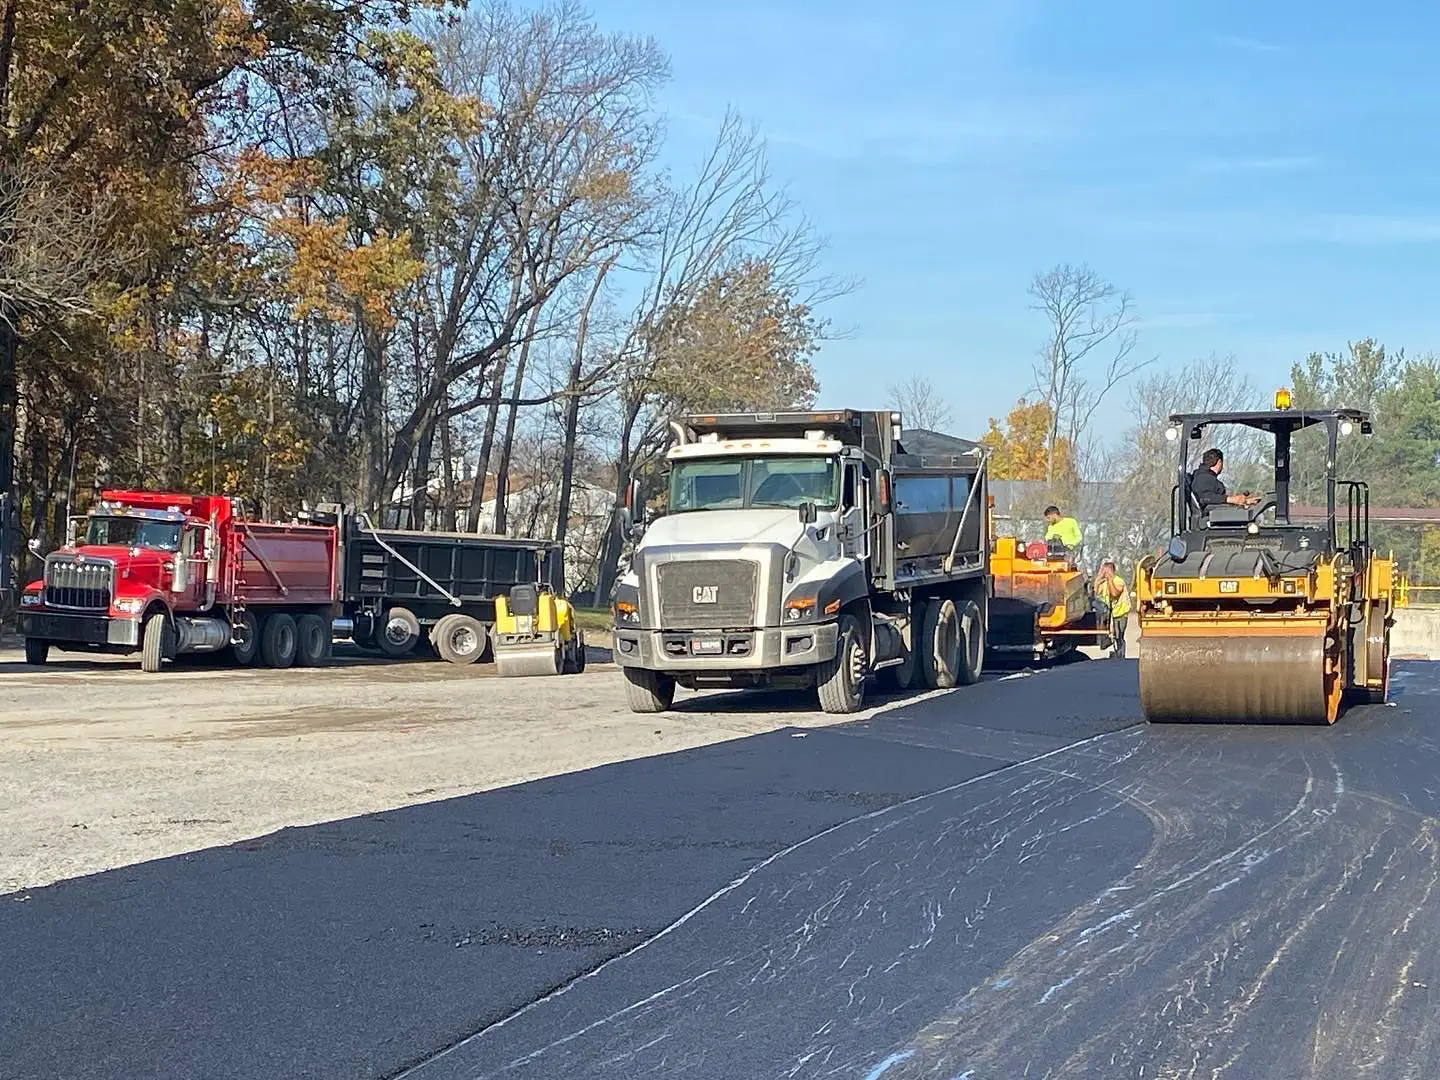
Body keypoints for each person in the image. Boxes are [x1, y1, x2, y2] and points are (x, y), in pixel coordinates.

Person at [1189, 448, 1259, 514]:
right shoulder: (1202, 478)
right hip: (1212, 518)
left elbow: (1216, 500)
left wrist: (1244, 502)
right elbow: (1205, 498)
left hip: (1217, 515)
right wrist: (1231, 499)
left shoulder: (1206, 477)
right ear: (1219, 462)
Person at [1095, 558, 1131, 659]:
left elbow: (1114, 593)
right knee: (1112, 634)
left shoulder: (1119, 581)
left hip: (1121, 613)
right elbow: (1096, 591)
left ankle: (1121, 654)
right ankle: (1114, 650)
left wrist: (1110, 579)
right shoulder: (1104, 582)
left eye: (1106, 570)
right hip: (1111, 613)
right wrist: (1099, 577)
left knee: (1119, 635)